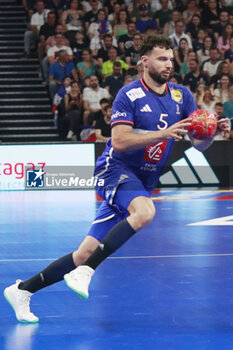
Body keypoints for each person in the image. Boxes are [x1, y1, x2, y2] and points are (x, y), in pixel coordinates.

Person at [3, 35, 229, 323]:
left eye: (171, 59)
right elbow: (120, 142)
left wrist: (209, 133)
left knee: (84, 252)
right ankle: (86, 273)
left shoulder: (181, 96)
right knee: (145, 211)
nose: (169, 64)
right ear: (144, 61)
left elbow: (198, 145)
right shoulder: (129, 95)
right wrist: (163, 133)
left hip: (141, 181)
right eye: (162, 58)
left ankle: (23, 290)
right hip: (115, 170)